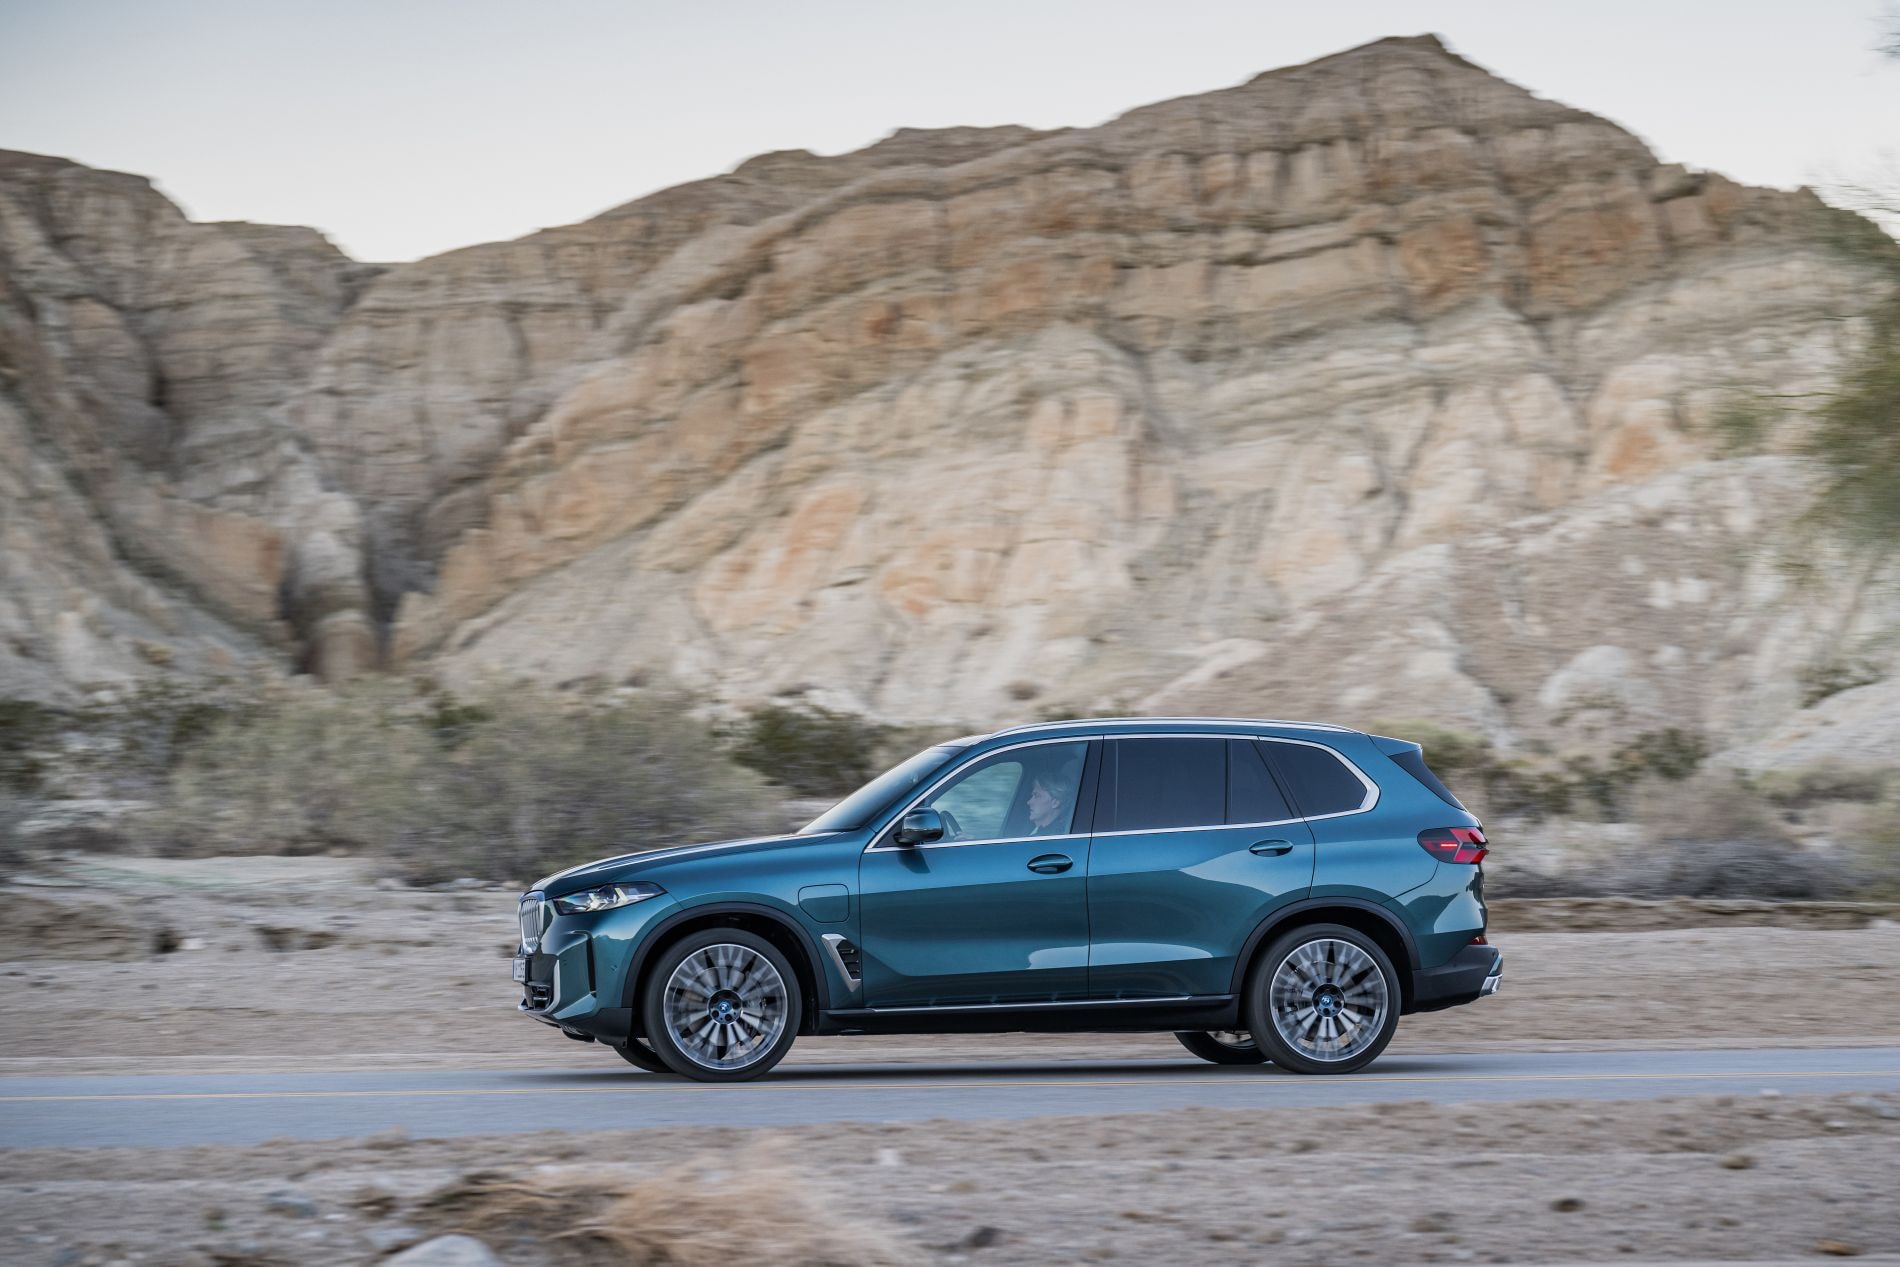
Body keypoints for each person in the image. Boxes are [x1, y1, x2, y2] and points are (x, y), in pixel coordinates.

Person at [1024, 770, 1076, 836]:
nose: (1028, 802)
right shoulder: (1033, 830)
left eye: (1037, 796)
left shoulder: (1055, 836)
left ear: (1055, 803)